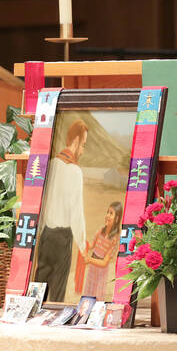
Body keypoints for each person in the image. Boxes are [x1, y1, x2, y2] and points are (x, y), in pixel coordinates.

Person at [35, 119, 89, 302]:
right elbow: (76, 212)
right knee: (57, 293)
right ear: (75, 141)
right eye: (83, 144)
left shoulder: (49, 165)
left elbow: (42, 204)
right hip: (63, 237)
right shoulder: (75, 172)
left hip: (46, 235)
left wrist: (40, 230)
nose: (82, 150)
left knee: (39, 284)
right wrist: (82, 244)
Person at [82, 202, 123, 299]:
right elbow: (91, 245)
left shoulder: (115, 239)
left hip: (101, 271)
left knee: (97, 294)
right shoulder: (100, 230)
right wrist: (84, 244)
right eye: (107, 212)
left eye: (111, 213)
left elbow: (105, 262)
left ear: (117, 219)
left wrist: (89, 260)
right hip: (92, 268)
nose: (107, 216)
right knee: (89, 291)